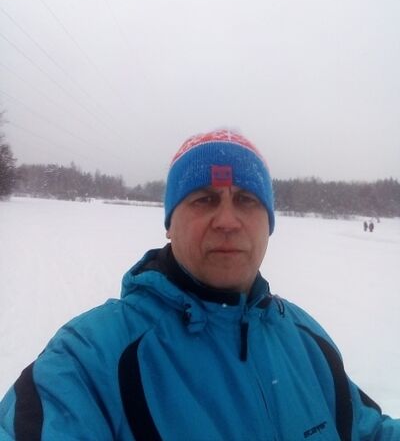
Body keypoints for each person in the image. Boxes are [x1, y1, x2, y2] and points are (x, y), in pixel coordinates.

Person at [0, 129, 399, 440]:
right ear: (169, 224)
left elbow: (367, 432)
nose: (227, 221)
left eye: (246, 200)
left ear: (268, 224)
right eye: (204, 199)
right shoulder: (88, 360)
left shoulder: (306, 341)